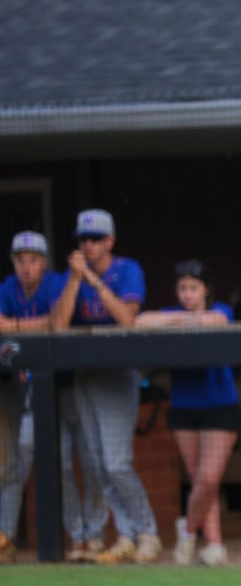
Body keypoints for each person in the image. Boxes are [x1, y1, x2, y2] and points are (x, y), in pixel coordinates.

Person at [48, 209, 161, 564]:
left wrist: (94, 281)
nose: (89, 245)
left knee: (116, 463)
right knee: (97, 465)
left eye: (96, 239)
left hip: (117, 375)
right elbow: (59, 325)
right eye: (83, 239)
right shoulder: (74, 276)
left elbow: (127, 317)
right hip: (85, 374)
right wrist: (74, 280)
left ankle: (148, 533)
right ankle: (126, 535)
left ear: (110, 241)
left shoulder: (128, 270)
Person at [133, 260, 241, 566]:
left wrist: (189, 320)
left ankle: (187, 530)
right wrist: (184, 319)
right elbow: (142, 321)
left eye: (193, 288)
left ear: (206, 289)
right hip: (184, 407)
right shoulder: (173, 314)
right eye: (182, 288)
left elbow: (218, 321)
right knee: (198, 481)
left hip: (220, 404)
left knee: (208, 479)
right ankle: (215, 546)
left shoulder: (221, 309)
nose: (188, 294)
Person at [1, 232, 67, 562]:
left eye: (33, 260)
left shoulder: (56, 283)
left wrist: (14, 325)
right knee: (11, 467)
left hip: (59, 393)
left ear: (44, 262)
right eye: (21, 260)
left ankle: (82, 538)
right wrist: (35, 326)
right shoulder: (8, 288)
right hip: (18, 392)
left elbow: (58, 321)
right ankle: (5, 539)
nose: (27, 267)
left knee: (65, 465)